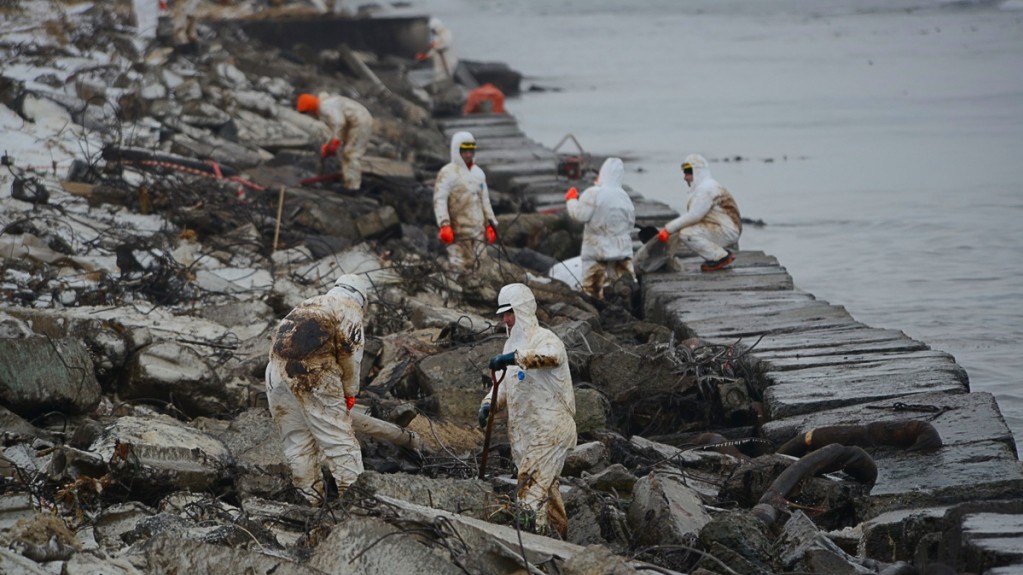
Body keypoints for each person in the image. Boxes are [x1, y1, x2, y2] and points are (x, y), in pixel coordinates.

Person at [479, 283, 577, 538]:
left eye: (509, 312)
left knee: (529, 485)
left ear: (522, 310)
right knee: (547, 492)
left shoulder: (545, 339)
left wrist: (514, 358)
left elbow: (551, 357)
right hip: (528, 433)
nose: (505, 319)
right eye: (503, 314)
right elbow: (504, 386)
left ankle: (530, 542)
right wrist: (488, 404)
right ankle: (559, 541)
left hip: (551, 428)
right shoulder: (509, 345)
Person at [265, 274, 371, 504]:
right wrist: (350, 392)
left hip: (275, 371)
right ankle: (356, 501)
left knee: (298, 442)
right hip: (313, 372)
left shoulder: (308, 303)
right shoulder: (349, 308)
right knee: (339, 440)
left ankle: (309, 500)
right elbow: (351, 355)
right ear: (362, 298)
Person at [564, 157, 636, 300]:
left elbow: (579, 215)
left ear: (603, 173)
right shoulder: (624, 196)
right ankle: (626, 308)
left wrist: (571, 200)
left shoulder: (594, 193)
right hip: (621, 251)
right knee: (623, 286)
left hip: (596, 250)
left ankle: (595, 309)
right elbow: (630, 223)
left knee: (591, 288)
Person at [656, 153, 742, 272]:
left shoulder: (706, 189)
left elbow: (694, 216)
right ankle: (720, 253)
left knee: (687, 234)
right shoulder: (708, 186)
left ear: (697, 172)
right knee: (687, 230)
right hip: (726, 227)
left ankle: (720, 257)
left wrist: (668, 230)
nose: (685, 178)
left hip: (727, 231)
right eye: (685, 173)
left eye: (688, 173)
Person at [433, 131, 498, 273]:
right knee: (459, 267)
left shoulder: (478, 174)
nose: (468, 155)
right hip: (458, 232)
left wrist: (490, 224)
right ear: (456, 150)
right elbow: (440, 200)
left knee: (481, 266)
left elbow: (485, 201)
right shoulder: (447, 173)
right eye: (464, 151)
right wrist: (444, 224)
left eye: (471, 151)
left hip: (478, 231)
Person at [295, 92, 374, 191]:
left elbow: (339, 123)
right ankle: (348, 180)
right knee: (345, 153)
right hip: (353, 122)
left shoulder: (325, 107)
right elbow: (335, 129)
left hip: (360, 122)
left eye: (308, 113)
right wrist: (328, 145)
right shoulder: (326, 107)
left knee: (350, 154)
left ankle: (353, 187)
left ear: (310, 109)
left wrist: (335, 142)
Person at [416, 17, 457, 81]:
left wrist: (434, 47)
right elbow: (434, 49)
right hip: (440, 62)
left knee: (445, 76)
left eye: (433, 30)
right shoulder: (437, 36)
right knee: (439, 77)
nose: (432, 32)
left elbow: (445, 44)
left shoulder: (447, 33)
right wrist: (425, 55)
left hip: (448, 60)